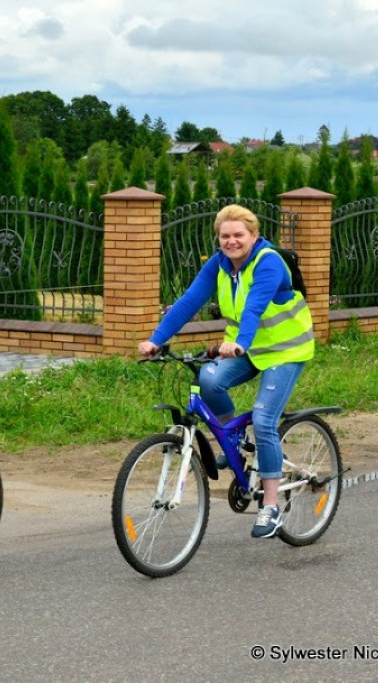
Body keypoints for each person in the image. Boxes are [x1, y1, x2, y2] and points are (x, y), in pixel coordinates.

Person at [138, 204, 314, 539]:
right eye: (225, 236)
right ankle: (235, 439)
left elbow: (254, 307)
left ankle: (271, 507)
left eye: (238, 235)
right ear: (218, 239)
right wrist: (156, 340)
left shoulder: (269, 262)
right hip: (247, 349)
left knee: (264, 419)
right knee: (208, 378)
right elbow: (189, 301)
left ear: (254, 235)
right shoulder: (218, 265)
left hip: (285, 350)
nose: (231, 241)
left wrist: (240, 342)